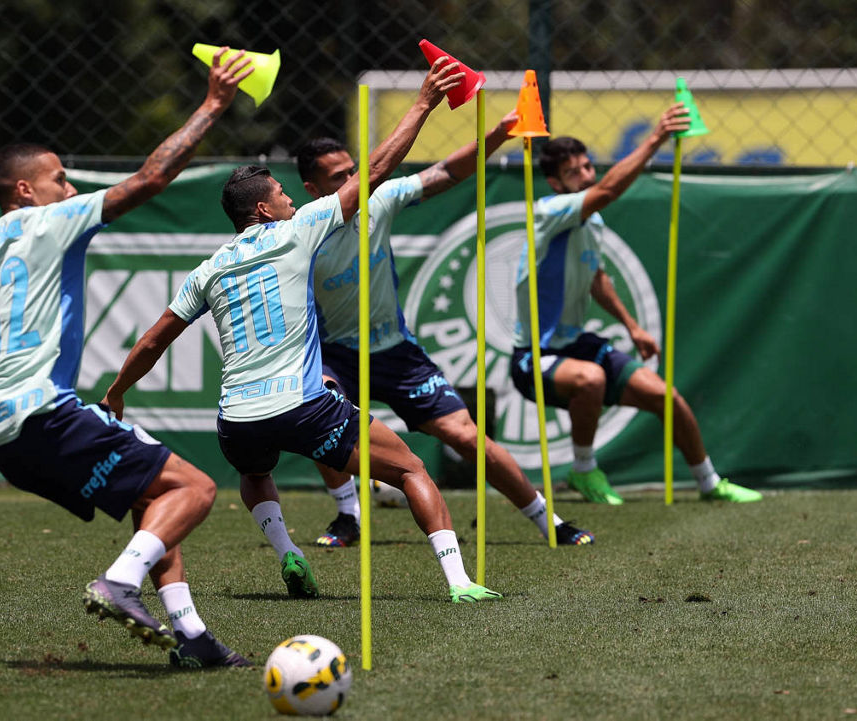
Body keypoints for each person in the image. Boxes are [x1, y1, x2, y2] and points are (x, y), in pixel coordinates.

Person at [0, 48, 257, 668]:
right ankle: (118, 584)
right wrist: (212, 105)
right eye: (60, 179)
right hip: (47, 415)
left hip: (5, 441)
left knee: (154, 497)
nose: (70, 189)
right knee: (197, 488)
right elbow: (151, 179)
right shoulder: (52, 221)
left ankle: (193, 638)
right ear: (26, 190)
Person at [103, 58, 503, 604]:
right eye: (283, 194)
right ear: (264, 209)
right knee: (411, 469)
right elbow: (375, 170)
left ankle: (288, 551)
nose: (293, 199)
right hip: (302, 405)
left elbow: (153, 340)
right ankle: (459, 582)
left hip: (237, 417)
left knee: (255, 474)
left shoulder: (208, 269)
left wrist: (117, 391)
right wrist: (423, 103)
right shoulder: (298, 230)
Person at [295, 112, 594, 549]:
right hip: (334, 354)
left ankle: (549, 520)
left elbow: (446, 171)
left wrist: (497, 135)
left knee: (466, 436)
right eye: (338, 177)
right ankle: (348, 515)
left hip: (395, 352)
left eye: (352, 170)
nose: (353, 180)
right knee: (316, 407)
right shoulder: (302, 233)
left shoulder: (378, 199)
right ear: (313, 189)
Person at [510, 103, 762, 505]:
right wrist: (657, 138)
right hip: (534, 356)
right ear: (555, 184)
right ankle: (584, 470)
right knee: (591, 379)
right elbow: (608, 191)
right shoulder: (550, 211)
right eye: (574, 173)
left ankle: (710, 483)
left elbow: (596, 277)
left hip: (576, 344)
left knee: (666, 398)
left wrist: (633, 326)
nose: (587, 175)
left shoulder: (592, 222)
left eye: (588, 166)